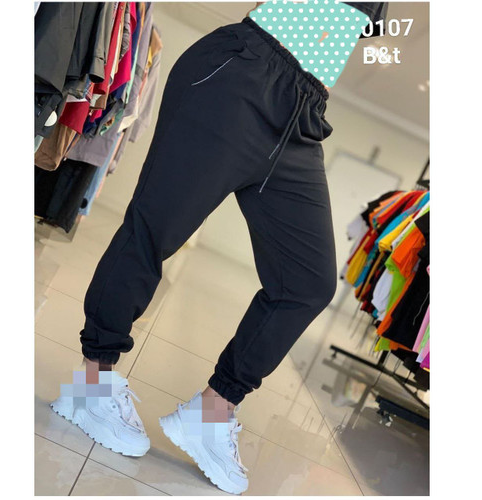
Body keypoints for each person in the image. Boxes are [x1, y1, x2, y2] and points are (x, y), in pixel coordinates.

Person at [50, 1, 387, 495]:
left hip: (303, 114)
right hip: (242, 73)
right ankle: (91, 386)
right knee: (154, 231)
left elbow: (338, 34)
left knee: (307, 283)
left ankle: (211, 411)